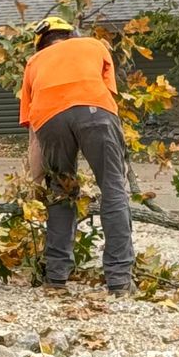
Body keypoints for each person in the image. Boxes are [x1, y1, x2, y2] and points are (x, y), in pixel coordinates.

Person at [20, 15, 136, 295]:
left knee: (61, 193)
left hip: (50, 121)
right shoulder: (94, 45)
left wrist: (33, 182)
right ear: (72, 34)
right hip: (95, 111)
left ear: (41, 45)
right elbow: (106, 94)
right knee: (112, 189)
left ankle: (56, 280)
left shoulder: (34, 63)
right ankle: (119, 280)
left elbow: (34, 134)